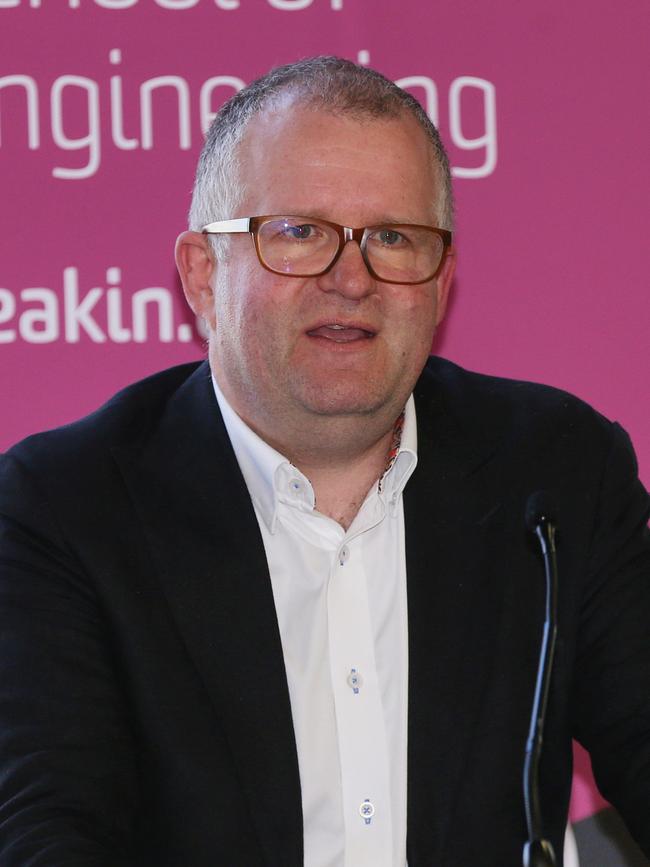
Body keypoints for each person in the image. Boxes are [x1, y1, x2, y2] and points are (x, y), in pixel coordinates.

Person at [0, 56, 649, 867]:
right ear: (202, 274)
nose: (351, 278)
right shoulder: (67, 506)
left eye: (393, 238)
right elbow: (46, 831)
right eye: (299, 233)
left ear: (442, 282)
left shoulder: (556, 474)